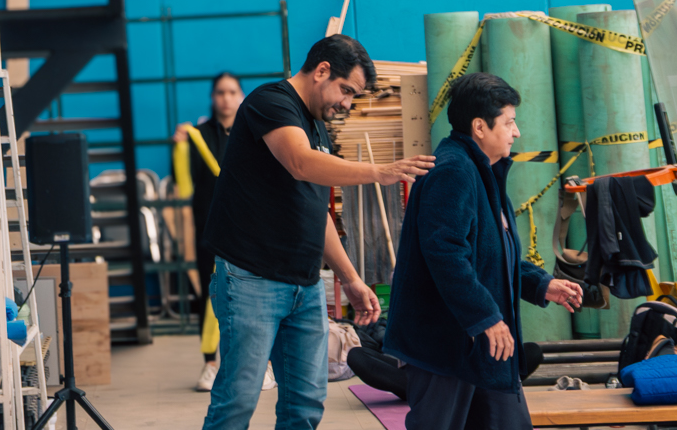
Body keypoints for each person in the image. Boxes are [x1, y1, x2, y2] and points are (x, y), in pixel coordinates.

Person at [197, 36, 432, 430]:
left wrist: (352, 279)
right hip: (250, 279)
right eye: (346, 91)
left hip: (303, 287)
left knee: (305, 404)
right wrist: (381, 171)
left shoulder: (316, 127)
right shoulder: (269, 103)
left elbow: (315, 211)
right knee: (237, 400)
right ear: (322, 71)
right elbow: (300, 164)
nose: (347, 104)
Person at [382, 73, 581, 430]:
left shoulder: (483, 171)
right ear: (479, 127)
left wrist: (540, 284)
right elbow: (445, 254)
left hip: (482, 344)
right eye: (509, 122)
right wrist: (485, 316)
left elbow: (490, 253)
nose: (516, 132)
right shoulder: (453, 170)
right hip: (446, 343)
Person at [176, 71, 244, 391]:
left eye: (232, 92)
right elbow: (185, 184)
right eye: (220, 92)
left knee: (251, 295)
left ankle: (260, 365)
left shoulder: (252, 131)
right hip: (208, 228)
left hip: (248, 226)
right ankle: (210, 363)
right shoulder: (196, 135)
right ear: (212, 97)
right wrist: (179, 147)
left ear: (241, 96)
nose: (226, 98)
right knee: (210, 292)